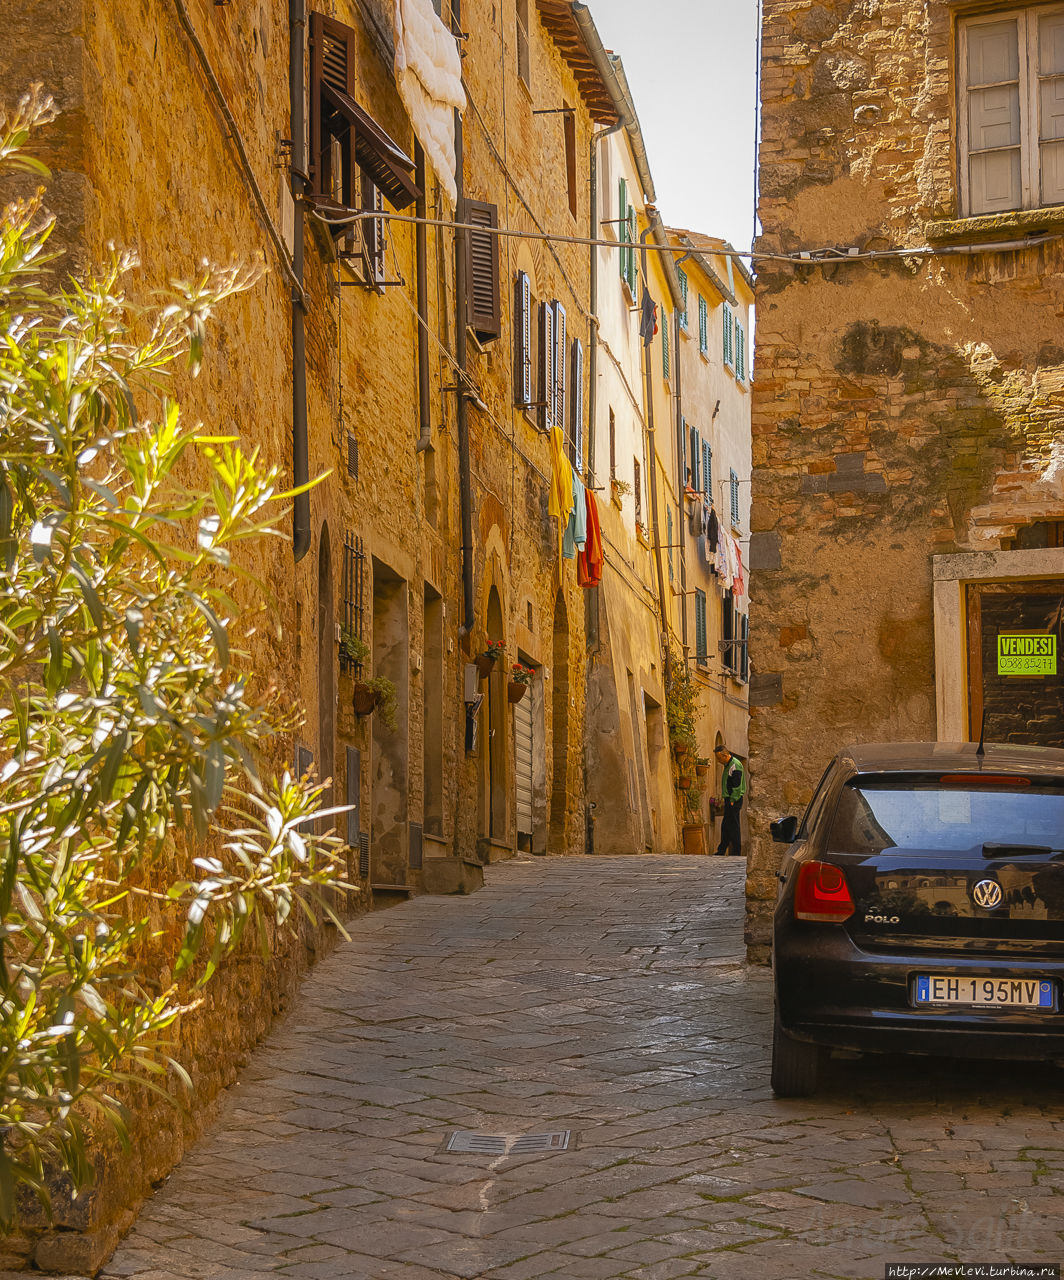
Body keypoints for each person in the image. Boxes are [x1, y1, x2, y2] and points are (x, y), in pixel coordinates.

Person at [714, 746, 747, 857]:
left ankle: (735, 851)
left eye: (719, 758)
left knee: (733, 826)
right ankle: (722, 849)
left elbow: (737, 785)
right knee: (727, 825)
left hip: (734, 799)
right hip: (730, 798)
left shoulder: (735, 765)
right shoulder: (728, 765)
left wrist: (733, 799)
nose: (718, 761)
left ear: (725, 755)